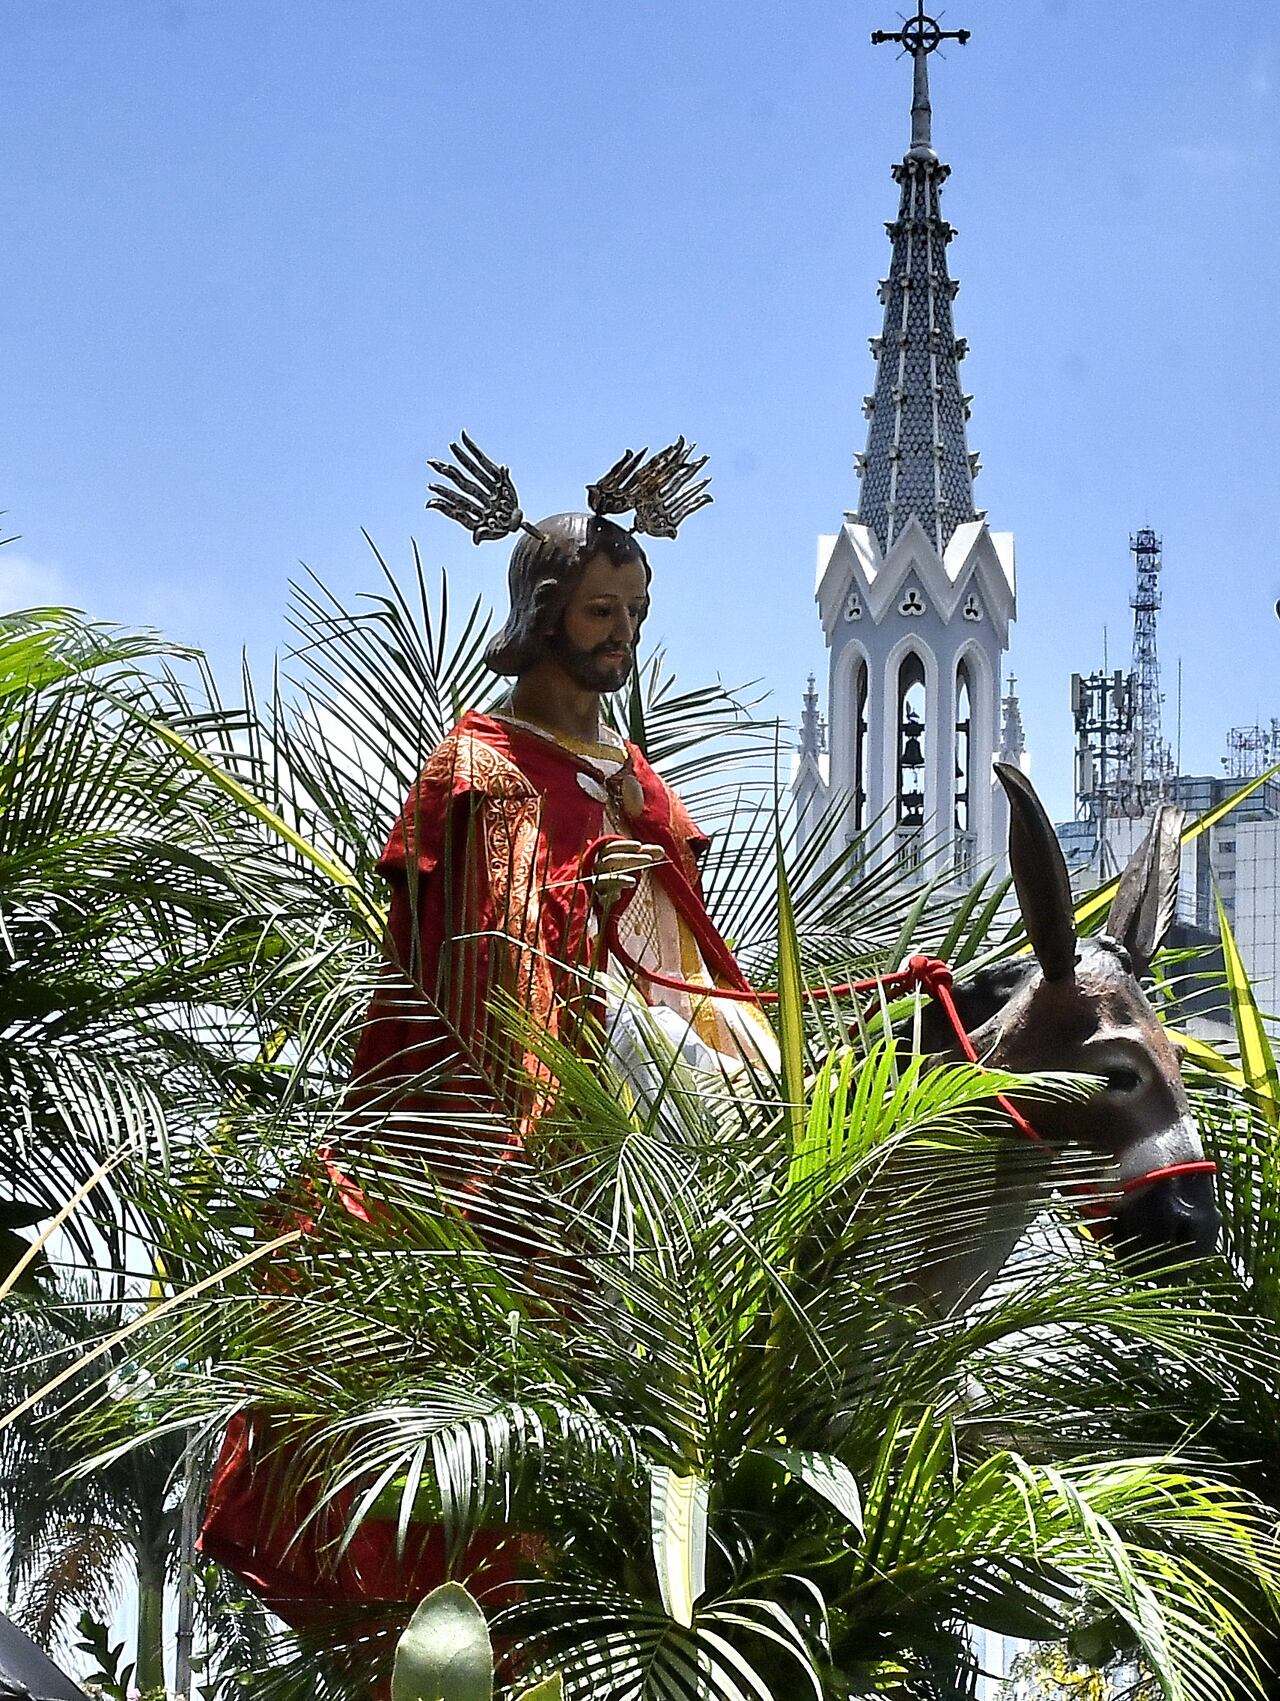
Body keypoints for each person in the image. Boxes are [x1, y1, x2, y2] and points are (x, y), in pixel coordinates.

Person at [198, 436, 776, 1627]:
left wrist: (641, 858)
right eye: (600, 612)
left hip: (639, 1061)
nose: (620, 636)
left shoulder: (630, 771)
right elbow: (483, 943)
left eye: (635, 612)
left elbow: (679, 940)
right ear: (543, 612)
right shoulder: (483, 762)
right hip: (507, 1089)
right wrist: (576, 933)